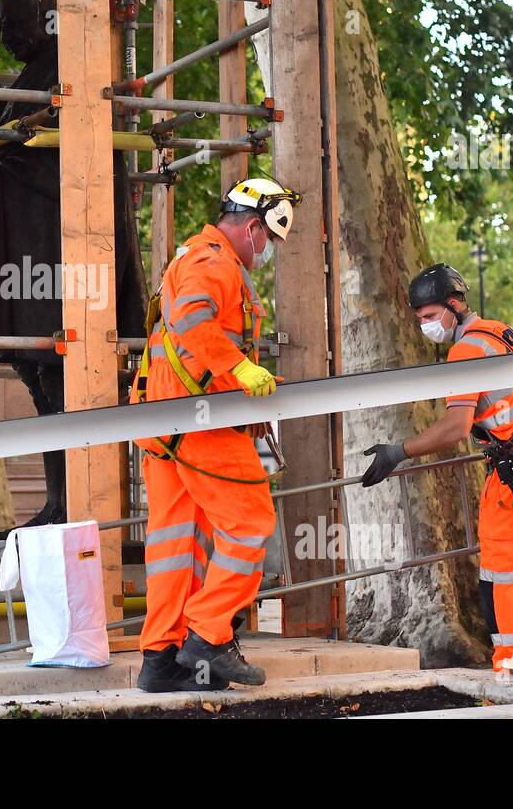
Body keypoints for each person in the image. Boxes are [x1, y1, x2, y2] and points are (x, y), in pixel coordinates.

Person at [0, 0, 147, 533]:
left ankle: (76, 503)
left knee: (63, 387)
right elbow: (9, 150)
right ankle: (61, 502)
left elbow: (49, 163)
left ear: (45, 21)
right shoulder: (28, 79)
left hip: (58, 263)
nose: (6, 38)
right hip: (32, 266)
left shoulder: (65, 71)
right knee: (42, 386)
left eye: (14, 26)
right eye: (2, 28)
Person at [360, 263, 513, 671]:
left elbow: (455, 428)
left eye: (429, 317)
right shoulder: (505, 332)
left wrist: (398, 451)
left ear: (453, 306)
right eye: (419, 320)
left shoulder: (465, 351)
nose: (425, 326)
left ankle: (510, 657)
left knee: (501, 570)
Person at [131, 177, 301, 692]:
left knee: (175, 543)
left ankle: (163, 658)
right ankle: (207, 633)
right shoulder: (214, 262)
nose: (267, 251)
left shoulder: (193, 257)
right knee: (250, 522)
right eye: (269, 240)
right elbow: (189, 322)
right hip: (199, 423)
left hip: (168, 424)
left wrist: (240, 379)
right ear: (252, 227)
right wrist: (240, 370)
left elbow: (186, 342)